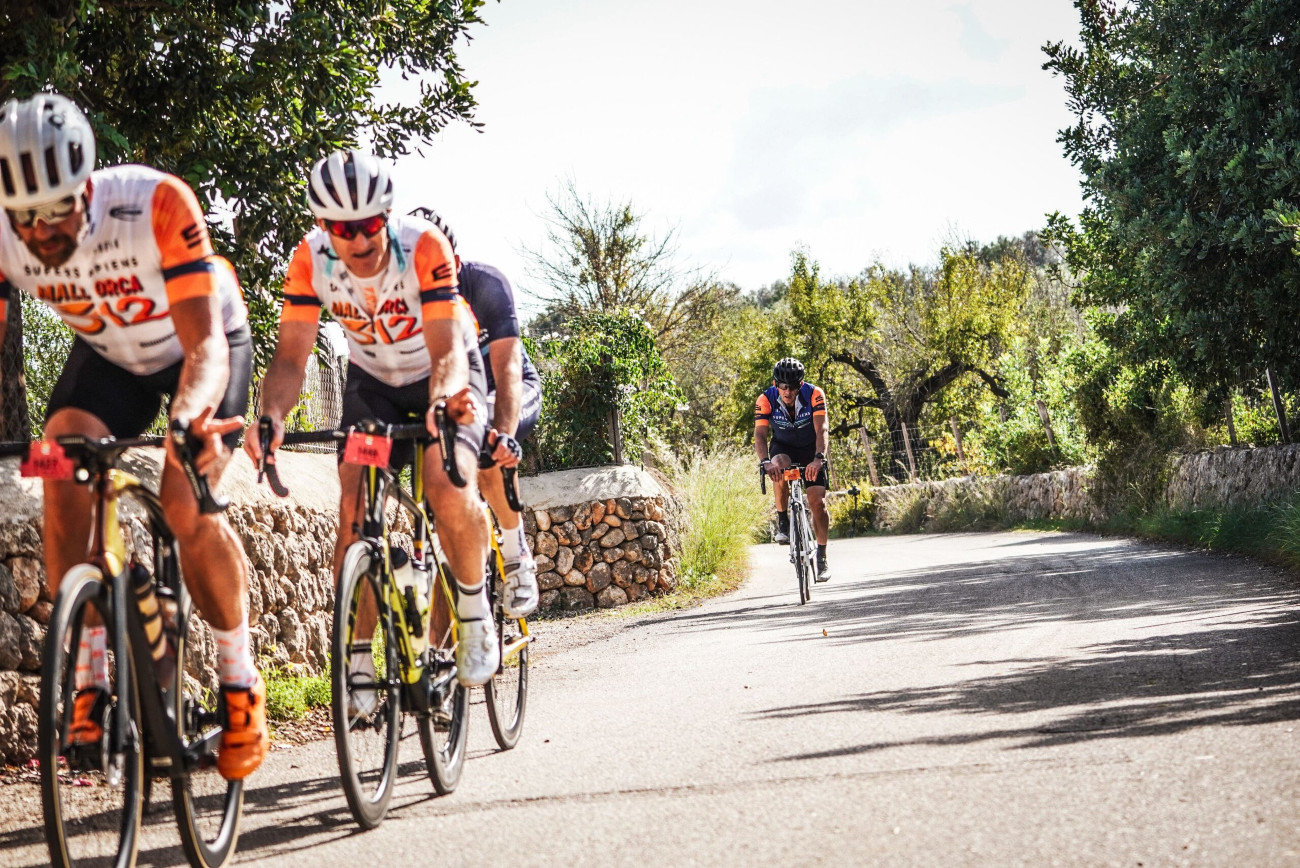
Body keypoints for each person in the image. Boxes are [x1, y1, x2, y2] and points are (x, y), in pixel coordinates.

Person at [0, 93, 265, 779]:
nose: (42, 233)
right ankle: (90, 680)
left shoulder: (153, 204)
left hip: (200, 348)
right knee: (59, 469)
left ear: (86, 186)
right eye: (25, 218)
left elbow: (206, 345)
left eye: (57, 209)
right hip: (112, 359)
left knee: (186, 502)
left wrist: (189, 423)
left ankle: (240, 683)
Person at [246, 150, 499, 695]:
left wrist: (442, 406)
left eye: (367, 226)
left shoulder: (422, 246)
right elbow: (291, 359)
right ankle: (357, 656)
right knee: (354, 509)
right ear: (322, 226)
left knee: (445, 481)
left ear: (387, 216)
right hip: (375, 386)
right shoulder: (310, 261)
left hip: (444, 372)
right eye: (341, 228)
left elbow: (446, 348)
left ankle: (475, 611)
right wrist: (270, 413)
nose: (357, 241)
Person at [407, 207, 540, 617]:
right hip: (452, 396)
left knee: (485, 446)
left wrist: (501, 433)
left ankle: (517, 556)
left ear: (455, 261)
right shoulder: (404, 297)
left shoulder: (485, 285)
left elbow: (509, 370)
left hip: (508, 389)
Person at [754, 357, 832, 581]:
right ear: (775, 383)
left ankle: (822, 555)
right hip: (784, 447)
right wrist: (765, 461)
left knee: (818, 502)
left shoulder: (814, 394)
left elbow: (822, 429)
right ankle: (783, 520)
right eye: (783, 386)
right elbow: (760, 434)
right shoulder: (765, 398)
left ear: (801, 383)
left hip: (811, 449)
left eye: (793, 386)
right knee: (777, 467)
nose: (788, 391)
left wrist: (818, 458)